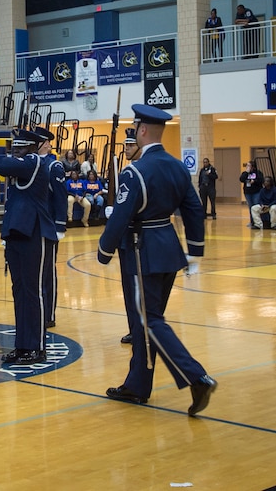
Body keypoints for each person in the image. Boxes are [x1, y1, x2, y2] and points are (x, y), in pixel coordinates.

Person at [98, 104, 216, 416]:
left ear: (143, 130)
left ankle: (196, 376)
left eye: (136, 128)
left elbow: (121, 215)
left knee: (149, 320)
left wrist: (104, 250)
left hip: (141, 252)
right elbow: (193, 208)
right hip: (169, 249)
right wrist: (195, 248)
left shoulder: (135, 171)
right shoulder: (177, 167)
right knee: (145, 321)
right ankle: (137, 385)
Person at [0, 128, 57, 365]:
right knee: (19, 291)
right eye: (14, 147)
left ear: (31, 148)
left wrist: (15, 157)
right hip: (17, 232)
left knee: (33, 291)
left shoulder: (34, 163)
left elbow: (2, 165)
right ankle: (22, 345)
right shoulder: (24, 163)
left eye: (19, 147)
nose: (15, 151)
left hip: (34, 232)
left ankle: (37, 347)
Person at [34, 126, 65, 329]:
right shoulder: (33, 163)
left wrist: (60, 225)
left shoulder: (54, 166)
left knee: (47, 271)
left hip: (49, 225)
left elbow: (61, 198)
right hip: (33, 225)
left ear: (45, 143)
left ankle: (49, 313)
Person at [116, 129, 142, 345]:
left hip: (137, 238)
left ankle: (140, 328)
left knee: (136, 288)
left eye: (131, 145)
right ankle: (133, 327)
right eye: (125, 145)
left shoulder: (139, 172)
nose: (127, 149)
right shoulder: (125, 170)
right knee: (128, 287)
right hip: (125, 238)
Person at [240, 160, 263, 227]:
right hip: (248, 192)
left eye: (249, 165)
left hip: (256, 192)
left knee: (256, 207)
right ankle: (252, 222)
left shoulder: (258, 173)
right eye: (247, 165)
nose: (247, 167)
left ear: (253, 166)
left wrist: (254, 181)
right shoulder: (245, 173)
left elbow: (261, 180)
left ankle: (258, 221)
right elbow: (241, 179)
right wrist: (246, 172)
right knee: (251, 207)